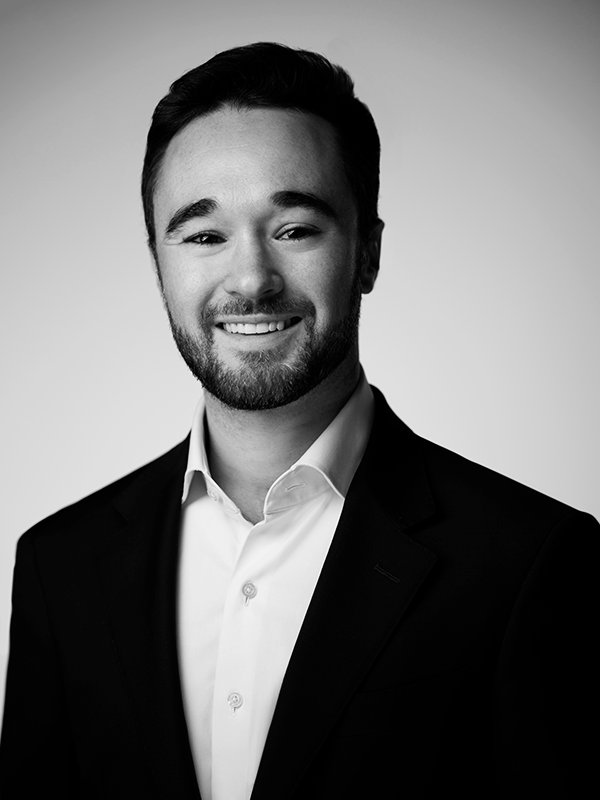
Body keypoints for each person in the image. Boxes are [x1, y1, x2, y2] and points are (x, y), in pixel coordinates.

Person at [0, 42, 596, 800]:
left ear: (368, 252)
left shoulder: (527, 563)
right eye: (205, 235)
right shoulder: (62, 565)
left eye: (295, 229)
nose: (250, 278)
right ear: (158, 261)